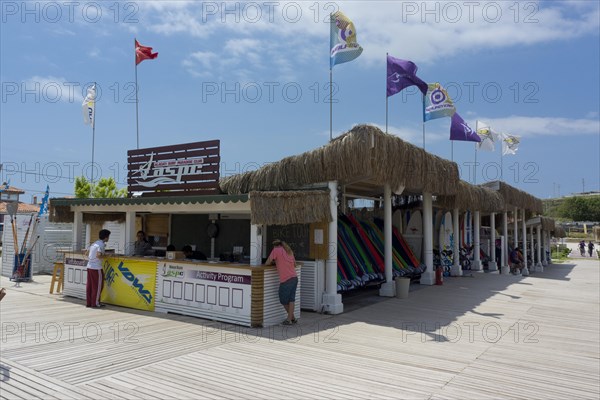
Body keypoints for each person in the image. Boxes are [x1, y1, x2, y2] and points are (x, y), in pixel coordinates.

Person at [265, 239, 298, 325]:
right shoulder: (289, 250)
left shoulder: (276, 250)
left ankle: (290, 319)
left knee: (283, 299)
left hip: (286, 279)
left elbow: (267, 262)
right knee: (291, 299)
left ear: (275, 245)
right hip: (294, 278)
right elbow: (294, 264)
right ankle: (291, 319)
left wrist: (275, 262)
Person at [86, 229, 110, 308]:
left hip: (89, 266)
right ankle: (96, 303)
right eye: (108, 236)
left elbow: (86, 253)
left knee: (90, 285)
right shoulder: (101, 245)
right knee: (98, 286)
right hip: (97, 268)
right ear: (106, 237)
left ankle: (89, 302)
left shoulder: (94, 243)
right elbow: (99, 255)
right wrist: (107, 256)